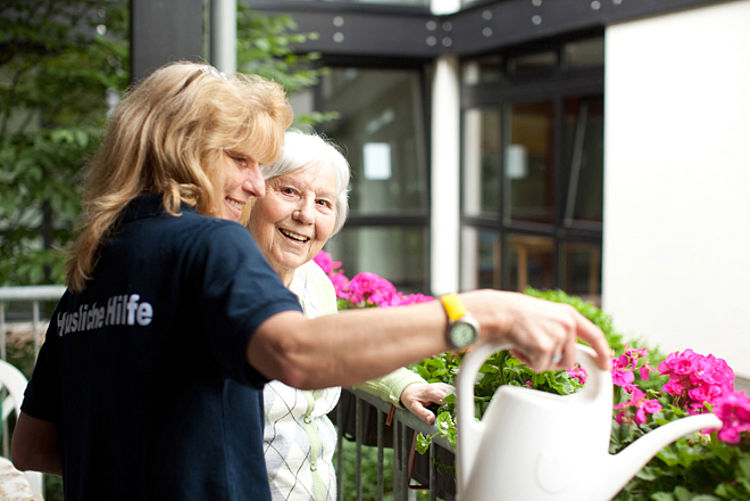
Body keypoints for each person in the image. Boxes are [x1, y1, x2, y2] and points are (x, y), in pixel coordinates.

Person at [10, 61, 611, 501]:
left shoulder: (93, 271)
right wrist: (482, 313)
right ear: (183, 148)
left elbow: (32, 447)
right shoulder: (208, 242)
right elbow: (298, 353)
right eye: (241, 161)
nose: (252, 185)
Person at [245, 129, 452, 500]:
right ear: (252, 193)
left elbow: (335, 349)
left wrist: (403, 386)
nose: (305, 214)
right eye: (289, 191)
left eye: (323, 202)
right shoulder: (224, 283)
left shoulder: (313, 281)